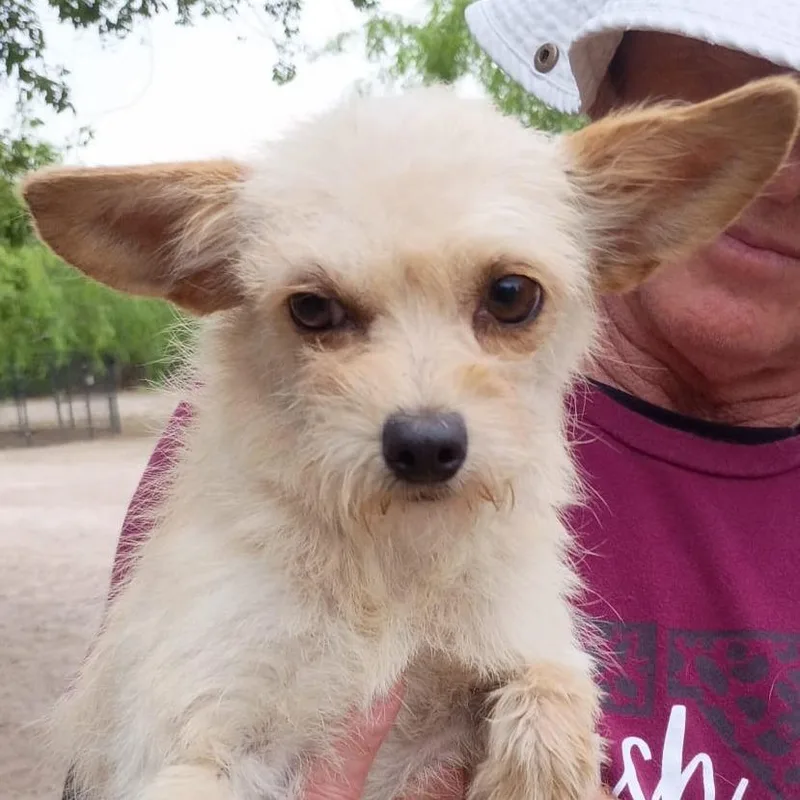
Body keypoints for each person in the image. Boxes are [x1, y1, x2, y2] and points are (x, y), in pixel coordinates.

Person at [99, 1, 800, 798]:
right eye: (320, 313)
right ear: (608, 100)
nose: (424, 416)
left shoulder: (515, 533)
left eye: (505, 302)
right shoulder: (237, 455)